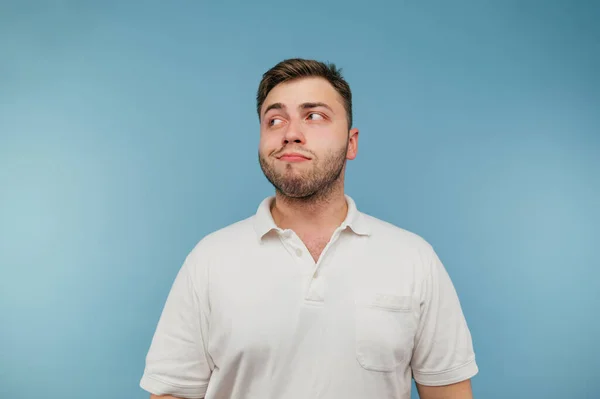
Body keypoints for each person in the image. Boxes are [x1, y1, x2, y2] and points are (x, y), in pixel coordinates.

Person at [140, 58, 478, 399]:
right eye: (275, 120)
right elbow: (172, 393)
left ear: (351, 142)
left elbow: (449, 393)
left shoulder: (414, 259)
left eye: (314, 116)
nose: (290, 133)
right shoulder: (209, 261)